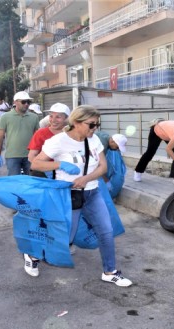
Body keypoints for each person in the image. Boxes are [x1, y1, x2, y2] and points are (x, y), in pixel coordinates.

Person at [30, 105, 132, 287]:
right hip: (69, 194)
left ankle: (110, 271)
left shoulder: (93, 140)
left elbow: (103, 166)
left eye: (97, 125)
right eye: (91, 125)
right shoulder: (59, 141)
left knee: (106, 232)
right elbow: (36, 164)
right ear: (76, 122)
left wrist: (87, 178)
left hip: (92, 192)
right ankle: (33, 254)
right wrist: (59, 165)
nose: (95, 129)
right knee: (66, 237)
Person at [0, 91, 40, 175]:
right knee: (14, 182)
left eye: (28, 102)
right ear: (15, 102)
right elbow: (0, 137)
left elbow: (37, 137)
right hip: (12, 156)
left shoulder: (34, 117)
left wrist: (39, 154)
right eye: (23, 102)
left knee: (31, 182)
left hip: (30, 156)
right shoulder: (5, 117)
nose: (26, 104)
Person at [27, 102, 71, 177]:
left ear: (66, 118)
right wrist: (45, 169)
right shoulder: (41, 133)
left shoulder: (71, 134)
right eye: (51, 116)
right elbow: (31, 156)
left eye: (58, 117)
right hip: (44, 174)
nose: (53, 120)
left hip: (66, 173)